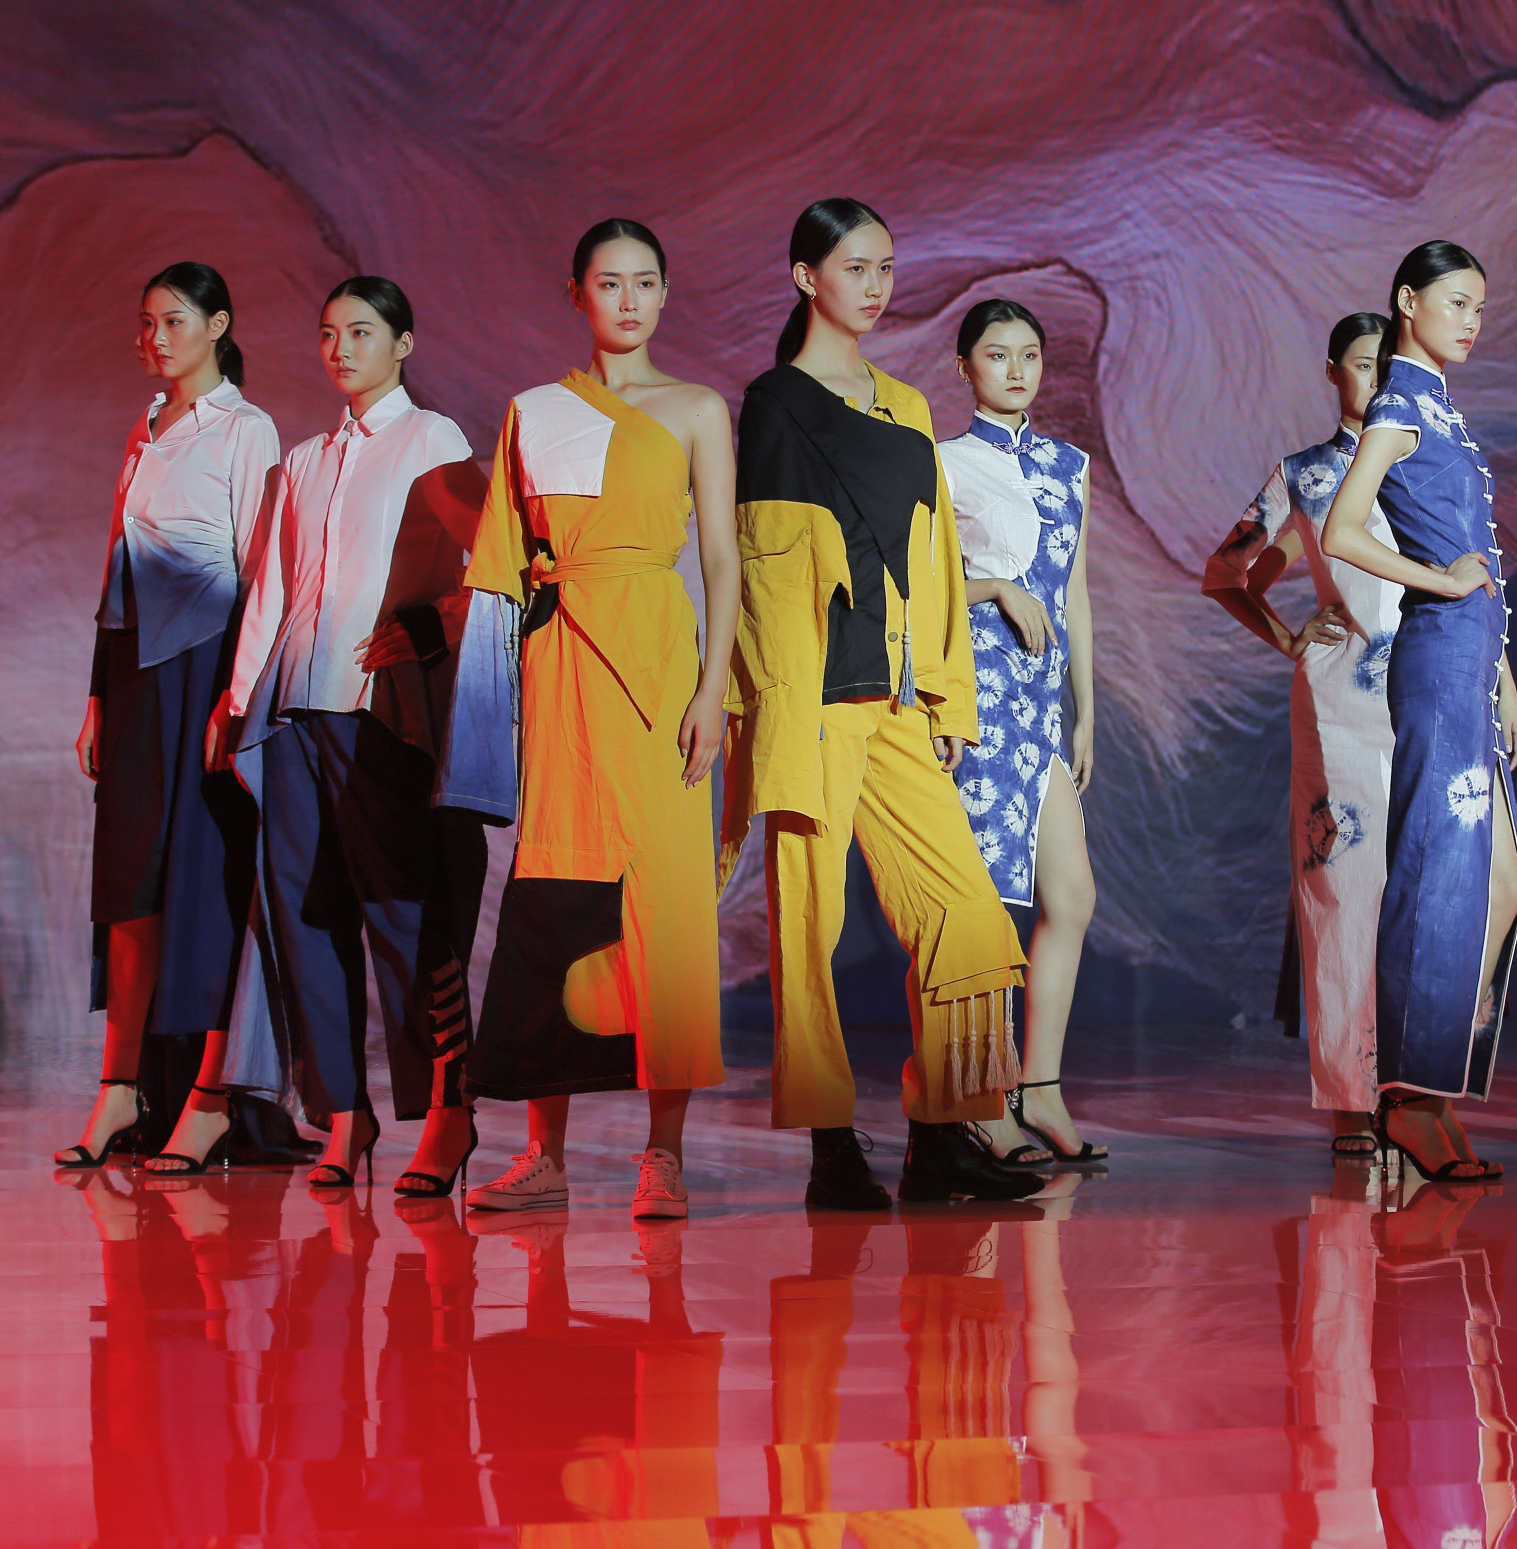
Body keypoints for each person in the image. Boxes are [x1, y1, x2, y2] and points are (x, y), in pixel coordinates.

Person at [724, 198, 1039, 1207]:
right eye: (854, 267)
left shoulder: (904, 404)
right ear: (805, 277)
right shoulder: (775, 402)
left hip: (901, 700)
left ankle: (943, 1131)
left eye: (886, 268)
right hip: (814, 699)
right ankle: (830, 1146)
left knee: (967, 914)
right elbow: (764, 565)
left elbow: (936, 558)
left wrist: (950, 698)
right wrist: (775, 704)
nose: (873, 285)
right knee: (807, 928)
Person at [459, 219, 741, 1220]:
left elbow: (721, 559)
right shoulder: (533, 411)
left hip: (660, 673)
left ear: (665, 294)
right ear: (575, 292)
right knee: (556, 896)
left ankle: (663, 1156)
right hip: (562, 670)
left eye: (645, 282)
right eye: (609, 282)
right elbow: (498, 569)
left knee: (667, 907)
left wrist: (712, 691)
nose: (628, 300)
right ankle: (545, 1156)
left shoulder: (699, 409)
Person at [204, 276, 490, 1192]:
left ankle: (448, 1110)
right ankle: (343, 1113)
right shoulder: (303, 459)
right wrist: (238, 703)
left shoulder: (431, 437)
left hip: (378, 710)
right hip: (292, 709)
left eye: (361, 332)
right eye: (329, 334)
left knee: (404, 913)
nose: (341, 349)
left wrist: (436, 625)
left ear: (402, 344)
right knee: (305, 914)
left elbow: (493, 558)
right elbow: (273, 590)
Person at [57, 262, 274, 1173]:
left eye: (174, 320)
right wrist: (97, 694)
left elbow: (261, 571)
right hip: (137, 671)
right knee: (129, 882)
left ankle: (209, 1097)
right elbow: (119, 564)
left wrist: (239, 694)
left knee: (204, 880)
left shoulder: (245, 428)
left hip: (207, 669)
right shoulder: (146, 424)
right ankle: (120, 1088)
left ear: (218, 325)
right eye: (147, 322)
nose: (156, 338)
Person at [1319, 241, 1517, 1183]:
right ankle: (1408, 1095)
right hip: (1438, 657)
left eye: (1480, 305)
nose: (1472, 320)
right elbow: (1342, 529)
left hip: (1471, 662)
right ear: (1408, 300)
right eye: (1456, 301)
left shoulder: (1439, 405)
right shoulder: (1401, 403)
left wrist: (1504, 678)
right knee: (1436, 874)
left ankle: (1427, 1082)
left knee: (1496, 880)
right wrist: (1434, 581)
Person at [1203, 312, 1401, 1157]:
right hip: (1341, 703)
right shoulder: (1307, 473)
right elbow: (1228, 571)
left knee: (1427, 893)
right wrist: (1288, 636)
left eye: (1390, 364)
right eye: (1363, 364)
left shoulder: (1427, 459)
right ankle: (1355, 1102)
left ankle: (1419, 1095)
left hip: (1430, 691)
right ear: (1332, 372)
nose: (1378, 378)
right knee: (1343, 893)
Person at [937, 298, 1106, 1168]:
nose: (1015, 369)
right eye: (997, 354)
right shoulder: (943, 461)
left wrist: (1086, 709)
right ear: (964, 367)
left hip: (1043, 708)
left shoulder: (1070, 466)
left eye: (1029, 354)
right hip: (979, 697)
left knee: (1069, 897)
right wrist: (996, 588)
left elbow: (1073, 591)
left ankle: (1039, 1088)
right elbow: (920, 588)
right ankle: (980, 1099)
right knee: (987, 908)